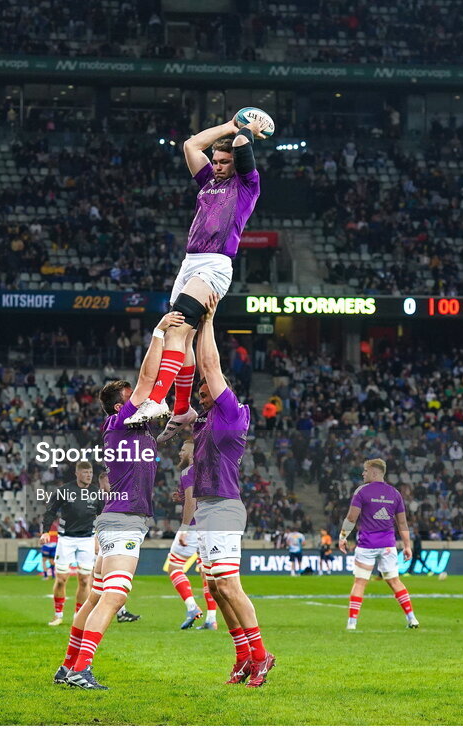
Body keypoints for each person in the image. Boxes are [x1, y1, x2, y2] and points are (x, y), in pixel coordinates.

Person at [58, 310, 183, 690]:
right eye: (132, 399)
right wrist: (159, 333)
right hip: (124, 518)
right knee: (115, 595)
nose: (141, 401)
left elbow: (144, 448)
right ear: (119, 406)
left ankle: (68, 666)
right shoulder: (122, 420)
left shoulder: (135, 430)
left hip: (120, 516)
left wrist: (167, 437)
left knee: (96, 596)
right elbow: (149, 378)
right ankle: (82, 669)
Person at [126, 114, 265, 440]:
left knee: (176, 328)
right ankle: (182, 409)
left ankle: (157, 400)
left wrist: (244, 130)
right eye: (215, 161)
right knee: (183, 336)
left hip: (214, 265)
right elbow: (191, 145)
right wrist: (230, 126)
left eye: (223, 162)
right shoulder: (209, 183)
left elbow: (244, 144)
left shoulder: (246, 185)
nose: (216, 166)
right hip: (190, 263)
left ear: (235, 164)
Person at [191, 294, 274, 687]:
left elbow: (209, 365)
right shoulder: (206, 419)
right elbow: (194, 374)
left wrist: (207, 321)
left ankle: (260, 654)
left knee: (228, 584)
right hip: (206, 508)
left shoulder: (231, 413)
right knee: (213, 587)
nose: (200, 393)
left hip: (224, 506)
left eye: (204, 391)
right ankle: (242, 655)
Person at [338, 458, 419, 631]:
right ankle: (412, 618)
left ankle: (352, 624)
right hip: (388, 545)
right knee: (395, 582)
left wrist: (343, 536)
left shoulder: (362, 491)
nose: (363, 473)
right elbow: (402, 524)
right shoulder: (394, 493)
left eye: (365, 471)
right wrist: (407, 546)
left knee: (360, 582)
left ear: (374, 472)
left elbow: (352, 518)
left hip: (367, 544)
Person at [41, 460, 103, 627]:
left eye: (90, 473)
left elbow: (102, 516)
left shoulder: (96, 492)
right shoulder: (65, 490)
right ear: (77, 473)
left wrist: (100, 537)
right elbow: (51, 510)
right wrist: (46, 531)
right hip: (66, 539)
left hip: (87, 540)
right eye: (85, 472)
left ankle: (79, 616)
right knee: (61, 579)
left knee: (84, 580)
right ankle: (58, 614)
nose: (89, 475)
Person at [166, 440, 212, 630]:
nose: (180, 453)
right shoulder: (210, 470)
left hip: (193, 527)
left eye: (183, 450)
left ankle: (192, 607)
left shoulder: (189, 471)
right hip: (211, 526)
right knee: (207, 574)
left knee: (174, 567)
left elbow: (191, 503)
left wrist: (184, 529)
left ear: (192, 453)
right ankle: (211, 619)